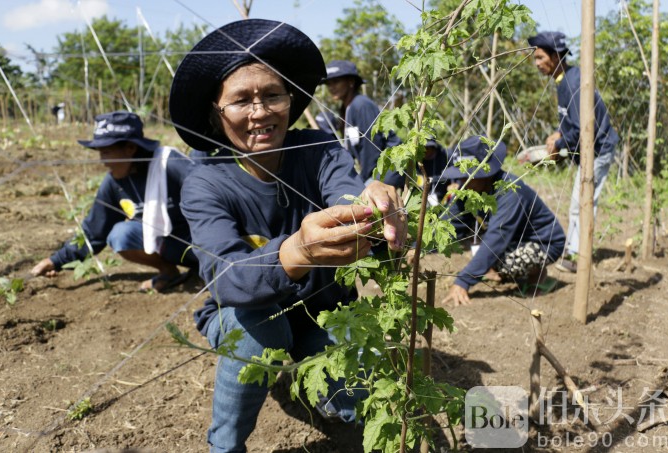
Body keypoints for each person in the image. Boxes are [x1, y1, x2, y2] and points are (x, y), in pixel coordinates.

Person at [168, 19, 407, 453]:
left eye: (272, 95)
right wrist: (296, 250)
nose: (260, 112)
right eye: (241, 101)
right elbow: (226, 278)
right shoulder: (205, 182)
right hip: (244, 314)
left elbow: (344, 190)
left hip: (325, 311)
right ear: (215, 115)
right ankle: (225, 445)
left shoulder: (317, 147)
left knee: (359, 403)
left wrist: (371, 201)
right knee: (264, 335)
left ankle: (310, 372)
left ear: (290, 100)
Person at [31, 111, 197, 292]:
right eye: (100, 153)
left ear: (130, 148)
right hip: (169, 247)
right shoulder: (114, 183)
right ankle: (168, 272)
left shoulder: (169, 165)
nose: (102, 161)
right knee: (120, 235)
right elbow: (94, 231)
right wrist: (55, 261)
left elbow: (216, 200)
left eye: (107, 152)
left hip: (203, 244)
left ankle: (207, 270)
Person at [528, 31, 619, 273]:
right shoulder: (564, 79)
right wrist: (559, 134)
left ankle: (579, 256)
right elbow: (571, 119)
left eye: (539, 58)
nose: (536, 64)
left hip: (598, 149)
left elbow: (583, 128)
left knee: (584, 203)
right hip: (587, 151)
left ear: (556, 56)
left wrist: (558, 146)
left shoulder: (574, 82)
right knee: (576, 203)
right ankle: (573, 251)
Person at [441, 136, 566, 306]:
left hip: (544, 243)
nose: (461, 181)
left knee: (502, 262)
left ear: (485, 172)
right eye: (460, 176)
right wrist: (418, 247)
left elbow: (496, 240)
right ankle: (496, 267)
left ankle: (537, 274)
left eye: (467, 176)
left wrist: (463, 281)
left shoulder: (509, 192)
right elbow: (451, 223)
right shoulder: (471, 188)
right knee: (483, 256)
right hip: (514, 238)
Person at [323, 59, 401, 184]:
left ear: (351, 82)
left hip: (388, 168)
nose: (331, 87)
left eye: (336, 82)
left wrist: (362, 181)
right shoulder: (346, 108)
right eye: (328, 84)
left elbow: (371, 148)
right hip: (375, 170)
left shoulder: (360, 105)